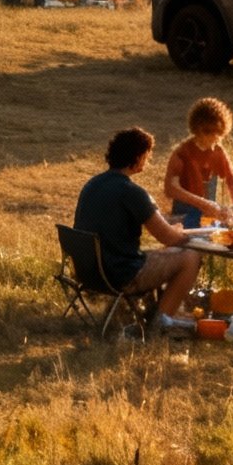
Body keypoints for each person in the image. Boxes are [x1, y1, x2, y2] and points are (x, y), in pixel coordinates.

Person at [74, 126, 202, 329]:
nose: (148, 160)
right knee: (191, 256)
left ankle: (156, 311)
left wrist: (170, 228)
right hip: (120, 275)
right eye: (148, 156)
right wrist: (182, 233)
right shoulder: (132, 192)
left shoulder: (93, 184)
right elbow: (169, 237)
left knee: (167, 254)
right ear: (138, 157)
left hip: (88, 273)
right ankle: (163, 319)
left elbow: (156, 223)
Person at [163, 96, 233, 229]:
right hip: (185, 216)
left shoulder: (218, 151)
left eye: (218, 133)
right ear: (198, 129)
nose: (215, 137)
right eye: (209, 132)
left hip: (209, 217)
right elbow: (171, 189)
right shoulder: (182, 153)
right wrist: (203, 204)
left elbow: (232, 180)